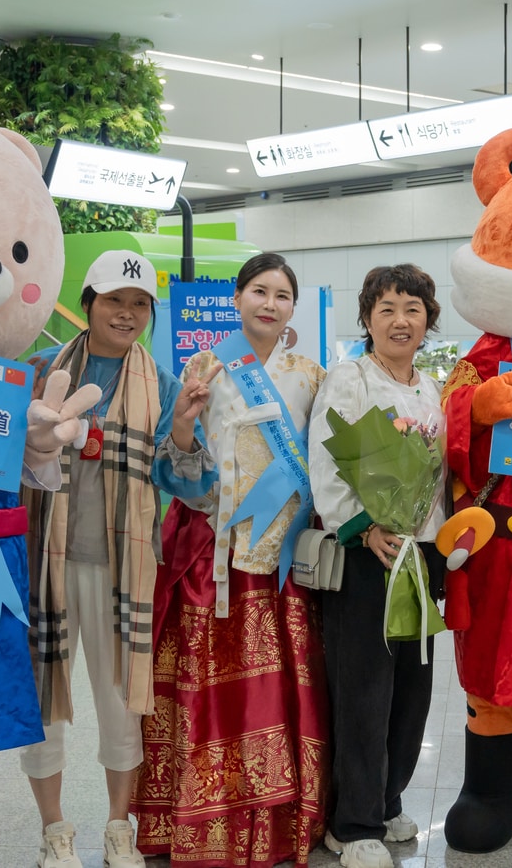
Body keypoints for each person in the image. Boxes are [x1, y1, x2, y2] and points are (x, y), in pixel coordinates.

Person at [130, 252, 329, 867]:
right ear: (238, 298)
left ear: (293, 308)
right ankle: (202, 820)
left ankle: (281, 822)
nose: (270, 304)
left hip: (280, 558)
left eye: (283, 296)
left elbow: (322, 467)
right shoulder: (205, 366)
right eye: (260, 291)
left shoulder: (312, 375)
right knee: (206, 694)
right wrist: (185, 428)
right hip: (212, 552)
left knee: (278, 695)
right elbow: (178, 468)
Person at [21, 249, 217, 868]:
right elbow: (3, 461)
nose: (126, 313)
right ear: (88, 305)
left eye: (139, 304)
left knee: (121, 703)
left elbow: (194, 486)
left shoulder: (159, 382)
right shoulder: (41, 370)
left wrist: (183, 427)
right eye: (114, 301)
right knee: (41, 698)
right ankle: (54, 829)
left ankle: (117, 827)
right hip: (42, 565)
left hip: (123, 568)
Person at [307, 264, 448, 868]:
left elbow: (437, 470)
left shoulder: (430, 387)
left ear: (428, 322)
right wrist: (366, 529)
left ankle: (388, 802)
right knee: (363, 691)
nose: (400, 320)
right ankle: (352, 821)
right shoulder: (348, 378)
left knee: (411, 690)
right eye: (387, 308)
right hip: (367, 555)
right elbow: (327, 459)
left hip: (420, 554)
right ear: (366, 320)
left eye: (412, 309)